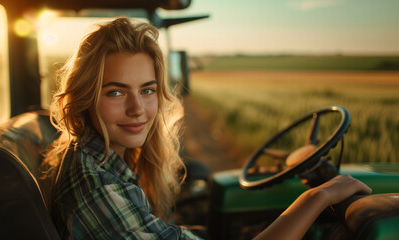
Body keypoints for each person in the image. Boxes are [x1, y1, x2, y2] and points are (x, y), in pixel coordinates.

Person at [43, 17, 372, 240]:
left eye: (147, 90)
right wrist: (319, 196)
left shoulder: (103, 159)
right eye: (115, 92)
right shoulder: (97, 186)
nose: (137, 110)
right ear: (85, 97)